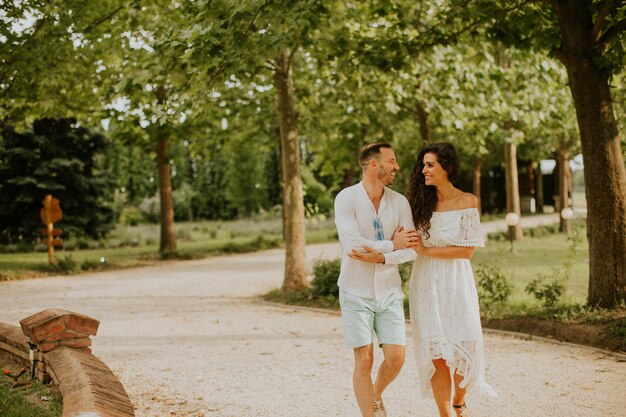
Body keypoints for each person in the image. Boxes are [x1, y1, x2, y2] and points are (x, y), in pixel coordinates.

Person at [349, 142, 496, 417]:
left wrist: (426, 250)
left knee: (467, 346)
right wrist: (384, 252)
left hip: (457, 282)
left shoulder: (468, 201)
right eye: (423, 165)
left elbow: (467, 251)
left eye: (430, 165)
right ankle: (445, 414)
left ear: (447, 168)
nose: (423, 170)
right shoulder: (417, 204)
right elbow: (403, 244)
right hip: (426, 283)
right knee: (437, 355)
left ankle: (459, 401)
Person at [334, 141, 419, 417]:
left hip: (389, 292)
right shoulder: (346, 198)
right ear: (374, 164)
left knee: (396, 359)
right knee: (364, 359)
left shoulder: (400, 202)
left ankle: (375, 396)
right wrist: (391, 245)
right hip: (355, 292)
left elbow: (412, 250)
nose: (396, 166)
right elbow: (353, 246)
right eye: (391, 161)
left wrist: (382, 257)